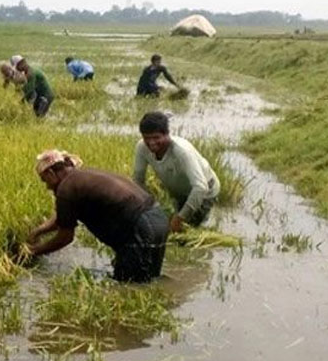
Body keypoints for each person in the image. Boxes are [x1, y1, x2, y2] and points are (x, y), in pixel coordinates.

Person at [26, 150, 170, 283]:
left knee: (130, 286)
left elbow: (65, 237)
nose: (47, 187)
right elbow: (63, 218)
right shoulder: (82, 176)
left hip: (140, 226)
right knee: (150, 280)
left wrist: (33, 252)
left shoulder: (66, 188)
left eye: (45, 180)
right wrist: (38, 232)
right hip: (158, 219)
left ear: (51, 173)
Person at [132, 112, 220, 232]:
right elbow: (138, 180)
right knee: (168, 226)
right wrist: (152, 206)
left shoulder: (182, 151)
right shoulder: (142, 148)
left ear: (167, 134)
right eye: (147, 138)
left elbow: (200, 187)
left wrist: (179, 219)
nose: (151, 143)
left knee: (190, 229)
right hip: (181, 192)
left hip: (205, 191)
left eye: (156, 138)